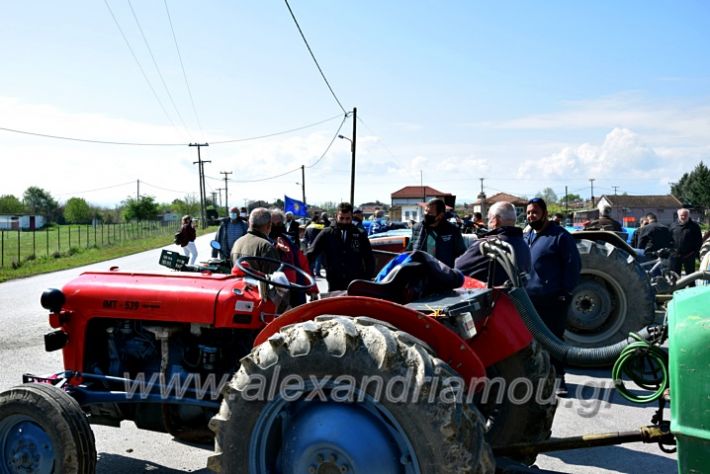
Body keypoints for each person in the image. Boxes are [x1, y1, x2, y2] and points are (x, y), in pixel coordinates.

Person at [524, 197, 581, 396]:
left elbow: (573, 266)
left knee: (554, 340)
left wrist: (565, 293)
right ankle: (537, 379)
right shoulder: (529, 235)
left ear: (545, 213)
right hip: (530, 299)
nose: (531, 216)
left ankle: (559, 379)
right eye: (529, 213)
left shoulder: (560, 236)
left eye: (535, 212)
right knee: (531, 341)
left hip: (553, 299)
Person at [454, 202, 531, 285]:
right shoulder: (524, 244)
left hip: (491, 297)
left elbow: (458, 268)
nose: (488, 223)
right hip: (517, 297)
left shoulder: (488, 245)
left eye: (488, 219)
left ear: (495, 220)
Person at [306, 202, 375, 292]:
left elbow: (369, 258)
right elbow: (311, 253)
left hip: (355, 284)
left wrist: (366, 279)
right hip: (334, 283)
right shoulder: (327, 233)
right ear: (336, 216)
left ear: (352, 217)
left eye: (347, 219)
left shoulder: (359, 234)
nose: (344, 221)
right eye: (341, 218)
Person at [270, 209, 317, 305]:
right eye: (273, 224)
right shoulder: (263, 243)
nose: (276, 227)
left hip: (296, 290)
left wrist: (312, 289)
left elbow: (303, 265)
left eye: (279, 224)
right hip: (274, 293)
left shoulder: (290, 243)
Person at [407, 198, 467, 268]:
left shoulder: (452, 230)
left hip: (443, 274)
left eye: (430, 213)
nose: (426, 214)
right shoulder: (417, 228)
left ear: (440, 215)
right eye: (425, 211)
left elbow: (461, 254)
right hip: (421, 274)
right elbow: (409, 251)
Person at [231, 208, 279, 274]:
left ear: (249, 223)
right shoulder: (266, 247)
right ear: (269, 225)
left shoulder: (237, 243)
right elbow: (274, 280)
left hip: (239, 284)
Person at [669, 208, 703, 279]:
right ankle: (676, 290)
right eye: (682, 215)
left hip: (689, 255)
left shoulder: (694, 226)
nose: (683, 217)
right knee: (675, 277)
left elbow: (699, 240)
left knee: (691, 277)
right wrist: (671, 250)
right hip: (675, 256)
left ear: (688, 215)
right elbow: (668, 239)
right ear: (678, 215)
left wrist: (694, 252)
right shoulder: (673, 225)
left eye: (685, 215)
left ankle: (692, 289)